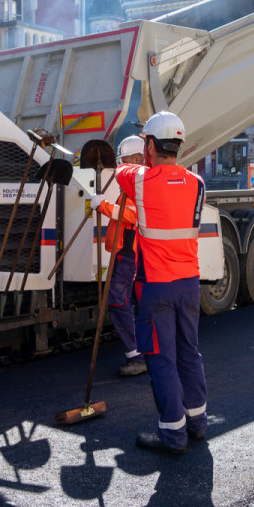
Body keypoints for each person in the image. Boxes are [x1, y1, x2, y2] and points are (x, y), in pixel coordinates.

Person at [91, 111, 206, 455]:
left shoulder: (140, 181)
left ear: (151, 146)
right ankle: (197, 423)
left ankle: (173, 435)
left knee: (161, 360)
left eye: (146, 145)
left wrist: (136, 153)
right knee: (189, 354)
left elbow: (124, 169)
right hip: (189, 285)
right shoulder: (197, 184)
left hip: (156, 288)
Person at [98, 135, 145, 376]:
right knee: (126, 302)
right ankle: (141, 351)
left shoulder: (140, 183)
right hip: (123, 252)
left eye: (124, 161)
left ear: (138, 159)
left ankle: (136, 355)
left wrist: (103, 206)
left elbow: (132, 216)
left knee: (118, 301)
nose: (120, 166)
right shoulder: (131, 183)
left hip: (128, 253)